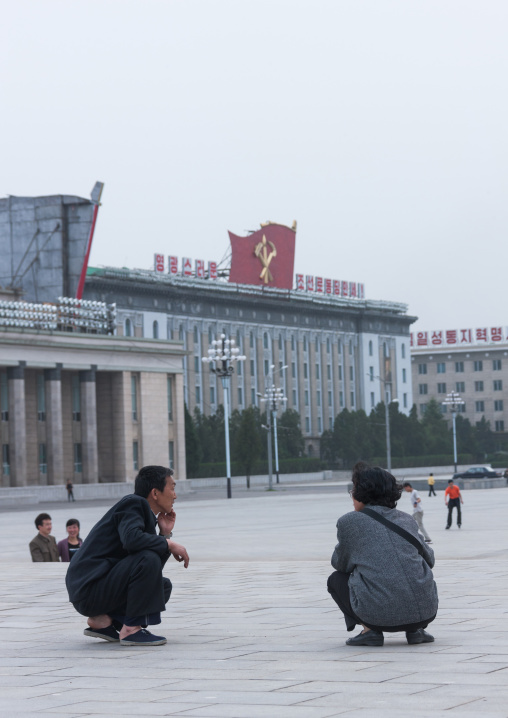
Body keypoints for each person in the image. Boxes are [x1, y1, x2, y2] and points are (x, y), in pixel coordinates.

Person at [66, 465, 189, 647]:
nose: (175, 495)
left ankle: (104, 621)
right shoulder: (133, 503)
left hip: (95, 590)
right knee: (148, 557)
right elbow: (133, 542)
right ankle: (131, 629)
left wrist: (164, 535)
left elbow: (148, 574)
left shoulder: (141, 514)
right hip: (89, 587)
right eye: (172, 488)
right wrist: (168, 544)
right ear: (155, 493)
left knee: (162, 586)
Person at [327, 462, 438, 647]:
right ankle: (415, 630)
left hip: (377, 615)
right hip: (425, 612)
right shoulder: (405, 519)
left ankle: (370, 631)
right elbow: (430, 559)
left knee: (336, 579)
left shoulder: (349, 522)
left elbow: (340, 564)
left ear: (361, 493)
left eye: (353, 490)